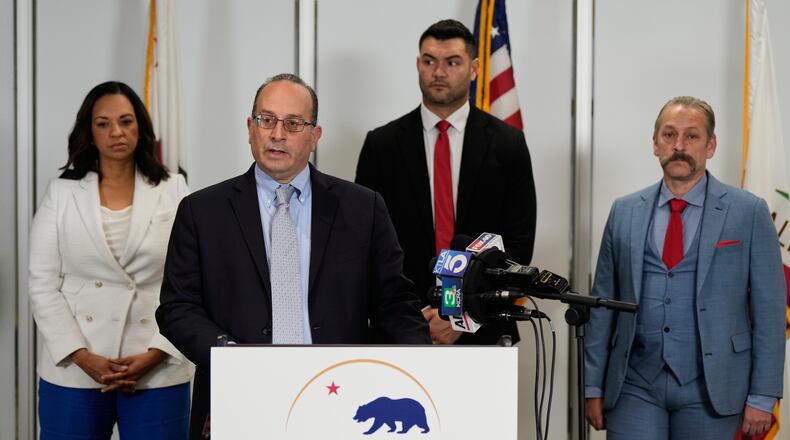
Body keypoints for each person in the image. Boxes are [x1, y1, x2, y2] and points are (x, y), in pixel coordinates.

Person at [156, 73, 431, 439]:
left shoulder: (363, 208)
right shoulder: (201, 211)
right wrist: (231, 357)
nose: (277, 134)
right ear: (250, 128)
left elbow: (394, 302)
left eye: (293, 123)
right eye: (266, 120)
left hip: (340, 398)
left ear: (315, 136)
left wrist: (427, 367)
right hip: (239, 395)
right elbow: (177, 307)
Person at [584, 96, 785, 439]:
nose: (679, 146)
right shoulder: (624, 211)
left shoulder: (748, 212)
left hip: (713, 387)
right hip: (634, 384)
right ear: (654, 143)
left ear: (711, 146)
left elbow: (770, 311)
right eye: (668, 135)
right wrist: (593, 387)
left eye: (692, 136)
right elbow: (603, 307)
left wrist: (763, 396)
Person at [355, 19, 536, 345]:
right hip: (402, 328)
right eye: (429, 61)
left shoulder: (508, 145)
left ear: (474, 68)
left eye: (452, 62)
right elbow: (365, 243)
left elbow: (517, 245)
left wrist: (461, 315)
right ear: (418, 64)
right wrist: (412, 316)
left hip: (484, 325)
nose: (439, 71)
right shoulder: (381, 146)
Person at [29, 81, 192, 439]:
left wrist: (157, 352)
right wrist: (82, 356)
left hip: (156, 365)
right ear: (89, 131)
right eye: (103, 123)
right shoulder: (62, 192)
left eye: (126, 121)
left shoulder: (174, 188)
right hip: (74, 367)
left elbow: (193, 281)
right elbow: (42, 283)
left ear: (141, 128)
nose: (116, 132)